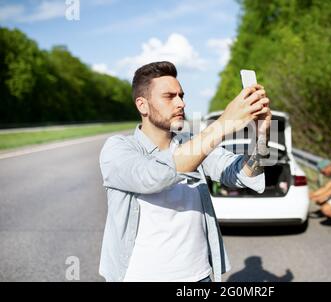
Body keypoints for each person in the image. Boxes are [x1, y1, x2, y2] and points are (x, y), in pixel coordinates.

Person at [98, 61, 272, 282]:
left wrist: (264, 136)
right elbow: (154, 176)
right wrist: (223, 124)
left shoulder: (191, 143)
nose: (181, 103)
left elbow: (242, 175)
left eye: (181, 95)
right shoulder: (118, 148)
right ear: (142, 105)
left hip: (200, 278)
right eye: (169, 96)